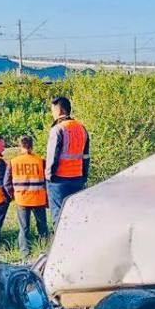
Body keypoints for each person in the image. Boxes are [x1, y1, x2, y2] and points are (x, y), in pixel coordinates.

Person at [45, 95, 90, 224]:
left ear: (59, 111)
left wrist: (49, 176)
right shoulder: (81, 128)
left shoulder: (58, 129)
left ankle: (60, 243)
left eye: (53, 110)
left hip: (59, 180)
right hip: (77, 178)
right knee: (75, 214)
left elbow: (52, 157)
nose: (52, 114)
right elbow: (86, 156)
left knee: (59, 217)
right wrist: (84, 176)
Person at [6, 135, 49, 256]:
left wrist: (14, 195)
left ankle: (25, 253)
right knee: (42, 226)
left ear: (20, 146)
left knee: (24, 228)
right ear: (32, 146)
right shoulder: (40, 161)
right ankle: (44, 250)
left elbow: (6, 183)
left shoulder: (13, 162)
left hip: (22, 200)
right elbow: (47, 180)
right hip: (38, 199)